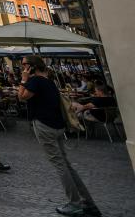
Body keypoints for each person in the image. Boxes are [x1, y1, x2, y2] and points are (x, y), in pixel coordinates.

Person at [19, 55, 100, 217]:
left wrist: (23, 80)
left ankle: (75, 203)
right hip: (57, 126)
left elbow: (22, 97)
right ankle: (87, 202)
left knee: (60, 165)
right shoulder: (50, 82)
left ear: (32, 66)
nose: (22, 67)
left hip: (44, 126)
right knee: (66, 164)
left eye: (24, 65)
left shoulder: (34, 81)